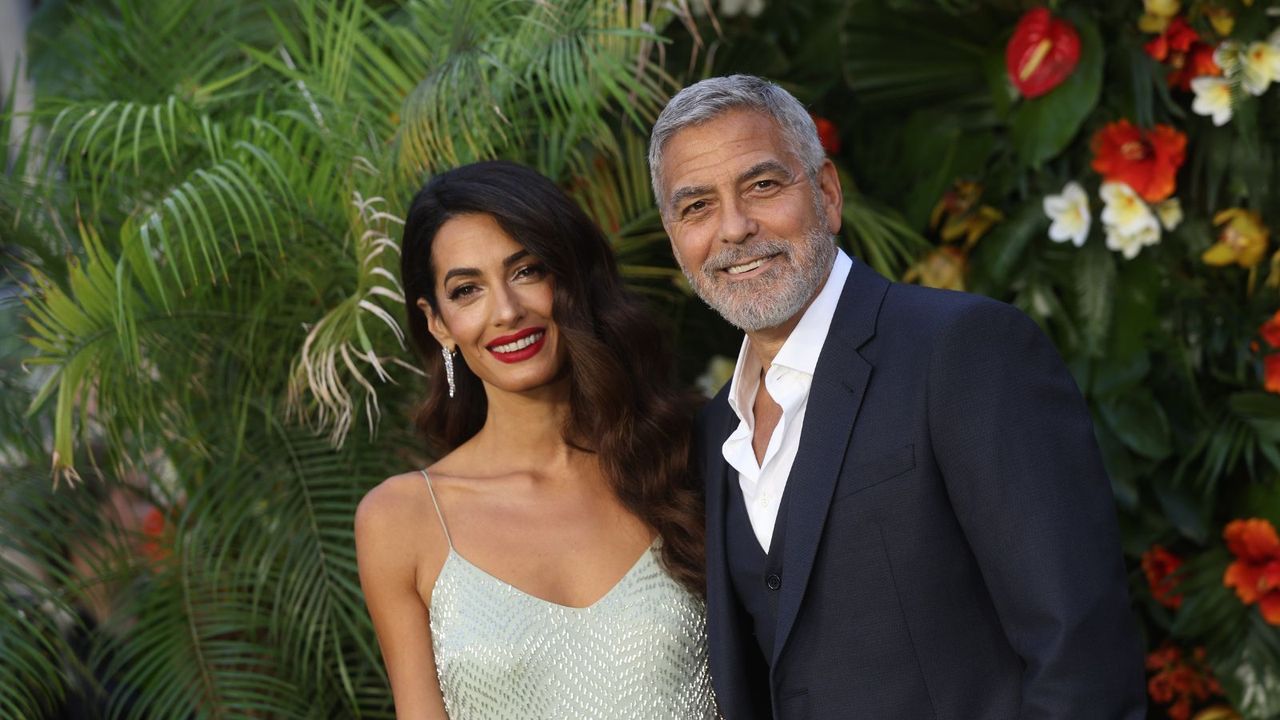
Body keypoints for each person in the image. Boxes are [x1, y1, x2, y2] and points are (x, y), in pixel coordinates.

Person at [648, 74, 1147, 719]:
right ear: (674, 237)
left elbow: (1080, 654)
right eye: (697, 207)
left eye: (762, 186)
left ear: (827, 193)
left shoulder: (965, 351)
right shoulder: (714, 431)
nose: (734, 228)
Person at [354, 160, 717, 719]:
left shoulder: (688, 459)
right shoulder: (401, 519)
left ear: (571, 278)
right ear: (438, 323)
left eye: (527, 271)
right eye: (467, 289)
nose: (506, 311)